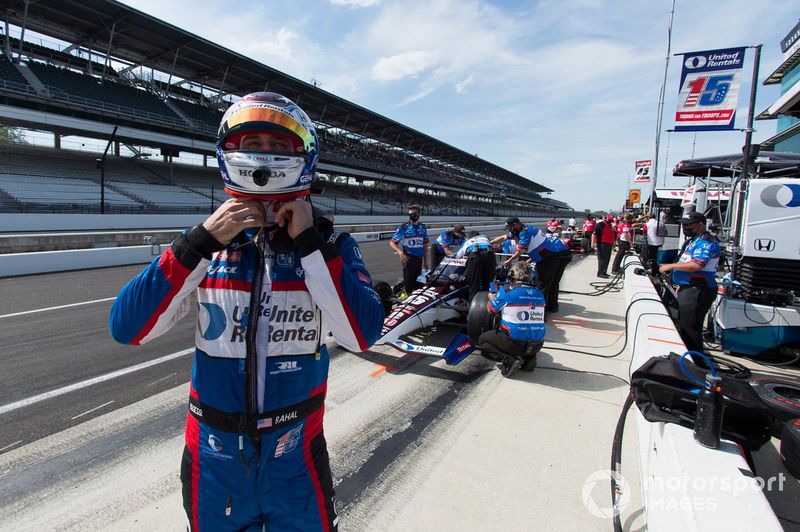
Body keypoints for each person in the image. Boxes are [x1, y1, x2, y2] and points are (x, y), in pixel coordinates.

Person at [109, 91, 383, 532]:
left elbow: (362, 335)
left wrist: (310, 244)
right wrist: (199, 242)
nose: (264, 156)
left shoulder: (333, 244)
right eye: (252, 144)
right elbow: (128, 329)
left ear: (304, 156)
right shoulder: (204, 243)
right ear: (229, 152)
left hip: (295, 452)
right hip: (213, 455)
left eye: (278, 145)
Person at [659, 212, 720, 354]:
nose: (685, 228)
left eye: (688, 225)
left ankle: (695, 362)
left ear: (700, 225)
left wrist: (670, 266)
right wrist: (682, 283)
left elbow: (697, 264)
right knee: (685, 325)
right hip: (690, 287)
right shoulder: (694, 240)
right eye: (683, 225)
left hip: (698, 289)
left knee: (690, 330)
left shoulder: (705, 242)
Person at [479, 261, 546, 378]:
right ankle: (529, 359)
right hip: (537, 345)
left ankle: (509, 360)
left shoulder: (507, 291)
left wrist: (492, 297)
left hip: (515, 344)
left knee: (483, 341)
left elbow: (491, 309)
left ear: (512, 275)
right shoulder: (539, 293)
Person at [503, 217, 571, 314]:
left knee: (544, 284)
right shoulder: (529, 231)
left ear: (515, 224)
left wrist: (510, 260)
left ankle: (541, 311)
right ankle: (551, 306)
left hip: (559, 256)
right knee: (549, 283)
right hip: (548, 256)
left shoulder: (525, 232)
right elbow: (537, 251)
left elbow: (522, 250)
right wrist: (527, 262)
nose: (509, 230)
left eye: (510, 227)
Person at [389, 204, 429, 294]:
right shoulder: (404, 227)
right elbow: (392, 242)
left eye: (414, 213)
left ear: (419, 214)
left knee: (418, 283)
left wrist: (426, 261)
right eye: (410, 214)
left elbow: (425, 244)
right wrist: (400, 253)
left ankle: (401, 288)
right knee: (409, 285)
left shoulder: (423, 227)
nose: (412, 216)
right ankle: (400, 292)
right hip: (408, 259)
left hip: (419, 259)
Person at [456, 230, 495, 300]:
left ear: (469, 237)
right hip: (489, 254)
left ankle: (473, 302)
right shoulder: (485, 237)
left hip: (475, 255)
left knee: (474, 283)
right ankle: (490, 302)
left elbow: (458, 256)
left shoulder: (467, 241)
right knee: (489, 282)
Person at [594, 214, 617, 278]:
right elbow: (594, 234)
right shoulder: (600, 224)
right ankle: (600, 273)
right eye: (609, 219)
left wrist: (613, 243)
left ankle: (604, 272)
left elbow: (613, 234)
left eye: (611, 220)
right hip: (602, 244)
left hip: (609, 244)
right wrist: (593, 244)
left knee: (607, 259)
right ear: (606, 218)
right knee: (602, 259)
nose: (610, 221)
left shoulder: (610, 226)